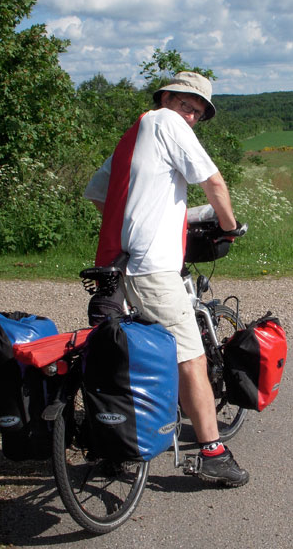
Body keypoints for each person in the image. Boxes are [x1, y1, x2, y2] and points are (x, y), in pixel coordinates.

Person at [83, 71, 249, 487]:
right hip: (152, 268)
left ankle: (115, 442)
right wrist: (229, 226)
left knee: (128, 353)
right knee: (190, 357)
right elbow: (213, 181)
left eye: (198, 113)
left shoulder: (135, 132)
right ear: (167, 99)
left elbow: (98, 192)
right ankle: (212, 453)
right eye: (186, 105)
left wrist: (142, 218)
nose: (190, 116)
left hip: (115, 265)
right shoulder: (168, 123)